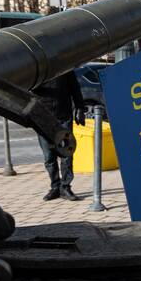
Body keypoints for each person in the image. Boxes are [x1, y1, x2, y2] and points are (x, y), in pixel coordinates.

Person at [34, 70, 87, 201]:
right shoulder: (37, 68)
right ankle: (55, 187)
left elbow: (74, 87)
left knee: (66, 154)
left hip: (64, 117)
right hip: (43, 118)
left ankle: (66, 187)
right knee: (49, 156)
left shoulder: (64, 66)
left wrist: (80, 107)